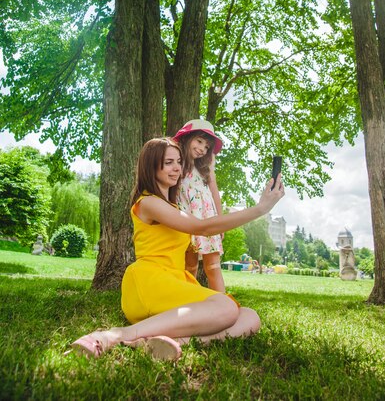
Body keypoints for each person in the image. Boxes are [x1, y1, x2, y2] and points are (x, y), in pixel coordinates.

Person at [70, 137, 284, 361]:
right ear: (151, 166)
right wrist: (260, 209)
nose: (177, 168)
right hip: (150, 283)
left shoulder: (172, 206)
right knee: (227, 307)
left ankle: (170, 343)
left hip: (173, 283)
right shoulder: (148, 203)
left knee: (250, 317)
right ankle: (115, 336)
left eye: (179, 162)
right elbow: (202, 227)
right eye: (168, 162)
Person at [173, 119, 225, 291]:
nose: (203, 148)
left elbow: (214, 192)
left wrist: (220, 222)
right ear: (188, 138)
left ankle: (222, 304)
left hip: (207, 219)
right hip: (186, 219)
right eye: (199, 141)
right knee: (189, 267)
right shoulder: (175, 165)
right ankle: (189, 302)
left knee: (213, 266)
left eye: (207, 146)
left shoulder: (205, 168)